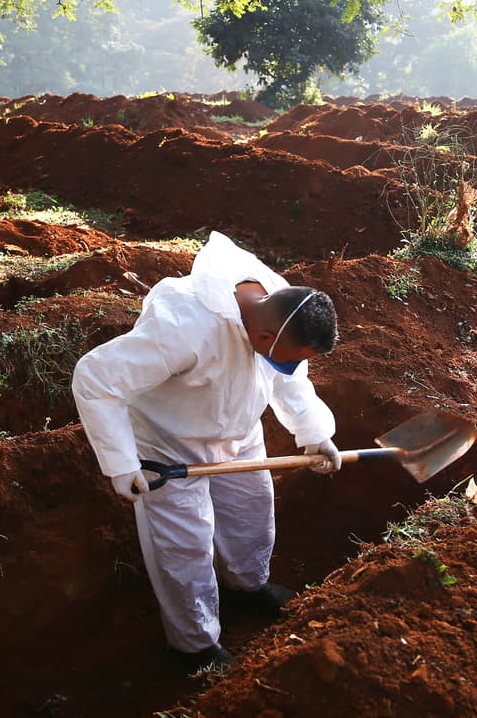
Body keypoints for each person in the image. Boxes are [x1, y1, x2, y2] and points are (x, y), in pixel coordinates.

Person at [72, 231, 342, 671]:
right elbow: (96, 380)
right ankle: (195, 646)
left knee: (252, 510)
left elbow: (290, 378)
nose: (291, 366)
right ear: (264, 335)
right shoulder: (182, 327)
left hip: (238, 430)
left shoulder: (279, 305)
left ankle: (247, 587)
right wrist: (121, 463)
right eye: (287, 356)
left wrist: (314, 432)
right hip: (170, 443)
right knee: (186, 547)